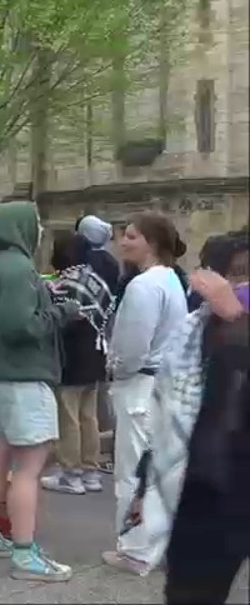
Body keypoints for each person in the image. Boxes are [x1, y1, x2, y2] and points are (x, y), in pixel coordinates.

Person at [125, 229, 249, 604]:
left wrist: (238, 319)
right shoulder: (193, 334)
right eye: (237, 274)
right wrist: (145, 486)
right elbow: (167, 419)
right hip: (206, 494)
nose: (241, 285)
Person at [0, 201, 82, 582]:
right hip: (22, 378)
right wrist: (61, 314)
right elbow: (18, 326)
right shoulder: (18, 268)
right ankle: (24, 554)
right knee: (29, 469)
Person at [102, 211, 188, 575]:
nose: (123, 242)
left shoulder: (143, 286)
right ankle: (158, 543)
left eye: (132, 236)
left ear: (151, 243)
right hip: (163, 382)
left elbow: (132, 348)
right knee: (157, 469)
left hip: (140, 384)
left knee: (133, 471)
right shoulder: (169, 280)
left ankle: (135, 549)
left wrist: (114, 369)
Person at [39, 229, 116, 495]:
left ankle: (70, 474)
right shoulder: (94, 279)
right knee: (89, 416)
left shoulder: (63, 284)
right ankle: (91, 472)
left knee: (68, 417)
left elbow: (59, 321)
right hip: (96, 353)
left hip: (71, 356)